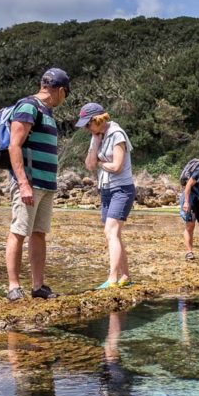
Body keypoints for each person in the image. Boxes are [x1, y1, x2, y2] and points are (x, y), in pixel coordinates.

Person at [5, 67, 70, 301]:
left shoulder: (46, 111)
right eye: (66, 94)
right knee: (19, 231)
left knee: (39, 233)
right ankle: (13, 286)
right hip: (30, 182)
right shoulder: (28, 106)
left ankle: (38, 286)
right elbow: (14, 145)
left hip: (46, 184)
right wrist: (23, 183)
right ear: (61, 91)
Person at [78, 102, 135, 288]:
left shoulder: (117, 134)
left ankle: (112, 279)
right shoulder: (97, 136)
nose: (87, 128)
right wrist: (95, 142)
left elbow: (116, 167)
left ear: (98, 119)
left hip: (122, 189)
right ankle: (125, 276)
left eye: (88, 124)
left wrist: (102, 163)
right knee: (114, 233)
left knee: (111, 232)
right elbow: (89, 164)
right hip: (106, 190)